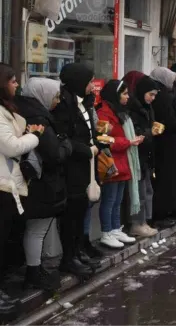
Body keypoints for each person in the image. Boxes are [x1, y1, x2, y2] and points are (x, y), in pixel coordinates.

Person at [17, 78, 73, 291]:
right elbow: (54, 154)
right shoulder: (39, 117)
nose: (57, 101)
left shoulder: (25, 111)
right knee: (37, 229)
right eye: (55, 96)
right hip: (43, 184)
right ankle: (34, 272)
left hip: (33, 182)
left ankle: (34, 269)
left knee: (33, 229)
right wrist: (66, 144)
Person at [0, 67, 43, 307]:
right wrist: (33, 137)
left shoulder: (8, 110)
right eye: (13, 81)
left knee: (7, 238)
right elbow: (11, 147)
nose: (17, 85)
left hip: (10, 183)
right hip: (3, 182)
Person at [52, 63, 99, 279]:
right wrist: (86, 149)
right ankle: (68, 258)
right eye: (89, 82)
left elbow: (88, 131)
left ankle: (77, 251)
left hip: (85, 164)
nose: (92, 86)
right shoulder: (64, 105)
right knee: (72, 213)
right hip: (72, 167)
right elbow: (64, 137)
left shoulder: (85, 103)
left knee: (81, 209)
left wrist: (97, 143)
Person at [96, 80, 143, 249]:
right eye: (124, 94)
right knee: (109, 200)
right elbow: (105, 140)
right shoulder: (104, 113)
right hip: (111, 161)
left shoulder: (121, 112)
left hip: (124, 160)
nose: (127, 97)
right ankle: (106, 232)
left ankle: (115, 228)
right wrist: (128, 141)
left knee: (118, 200)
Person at [150, 67, 176, 227]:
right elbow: (169, 121)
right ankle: (163, 212)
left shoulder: (159, 95)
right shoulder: (164, 97)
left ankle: (163, 211)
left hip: (163, 143)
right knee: (167, 179)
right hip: (168, 144)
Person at [121, 72, 159, 238]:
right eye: (150, 94)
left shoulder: (146, 107)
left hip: (146, 155)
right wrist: (150, 132)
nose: (152, 98)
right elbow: (135, 133)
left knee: (147, 189)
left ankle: (145, 221)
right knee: (139, 192)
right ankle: (137, 223)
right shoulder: (133, 109)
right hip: (137, 155)